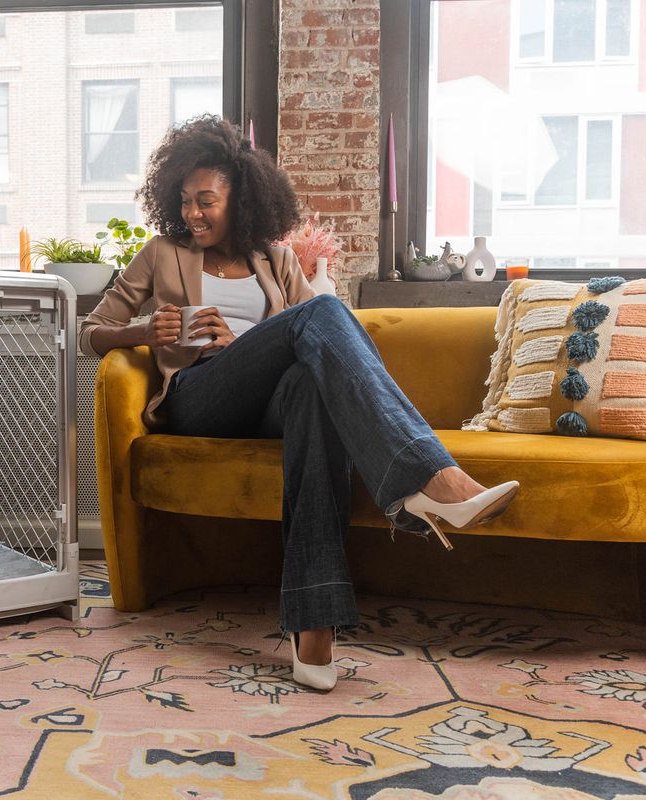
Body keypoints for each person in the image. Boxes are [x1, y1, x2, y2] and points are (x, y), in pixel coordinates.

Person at [77, 116, 518, 691]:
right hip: (199, 395)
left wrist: (248, 344)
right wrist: (144, 332)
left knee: (313, 385)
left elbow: (320, 340)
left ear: (242, 199)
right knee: (323, 313)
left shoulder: (276, 260)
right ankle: (430, 480)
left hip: (267, 402)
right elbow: (91, 330)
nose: (192, 214)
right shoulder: (162, 253)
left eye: (206, 201)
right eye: (185, 202)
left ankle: (314, 624)